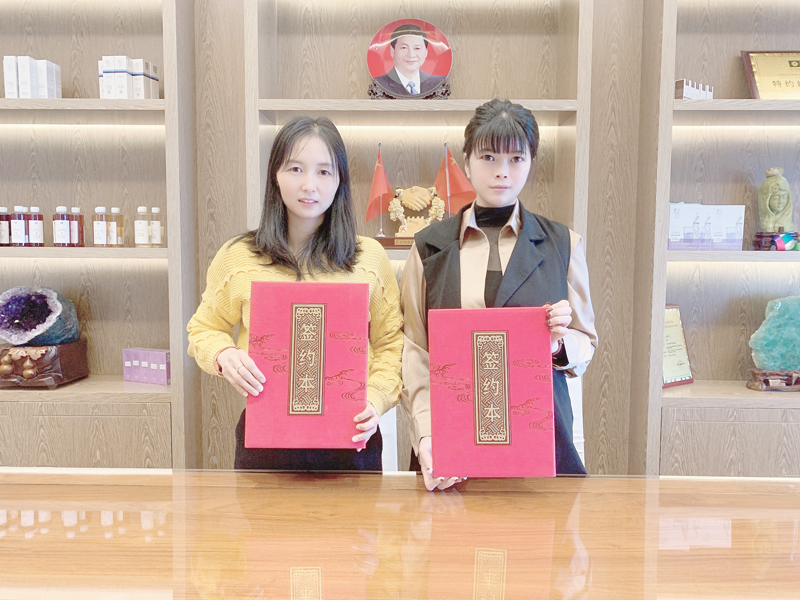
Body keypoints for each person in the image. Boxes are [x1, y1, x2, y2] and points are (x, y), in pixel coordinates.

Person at [400, 99, 598, 490]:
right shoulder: (428, 247)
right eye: (488, 157)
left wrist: (558, 345)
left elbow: (585, 341)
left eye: (516, 159)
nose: (502, 172)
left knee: (541, 529)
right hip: (451, 444)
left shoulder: (563, 244)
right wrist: (425, 435)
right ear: (467, 160)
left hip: (540, 442)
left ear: (531, 161)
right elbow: (415, 351)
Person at [187, 116, 403, 471]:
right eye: (296, 169)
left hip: (352, 439)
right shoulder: (239, 256)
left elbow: (391, 343)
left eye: (324, 172)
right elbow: (203, 328)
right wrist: (224, 354)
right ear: (275, 174)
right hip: (266, 440)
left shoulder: (369, 258)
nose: (309, 185)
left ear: (340, 180)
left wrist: (377, 398)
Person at [374, 24, 445, 97]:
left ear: (426, 52)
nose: (411, 55)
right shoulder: (378, 84)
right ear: (392, 51)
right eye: (404, 48)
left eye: (417, 48)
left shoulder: (439, 83)